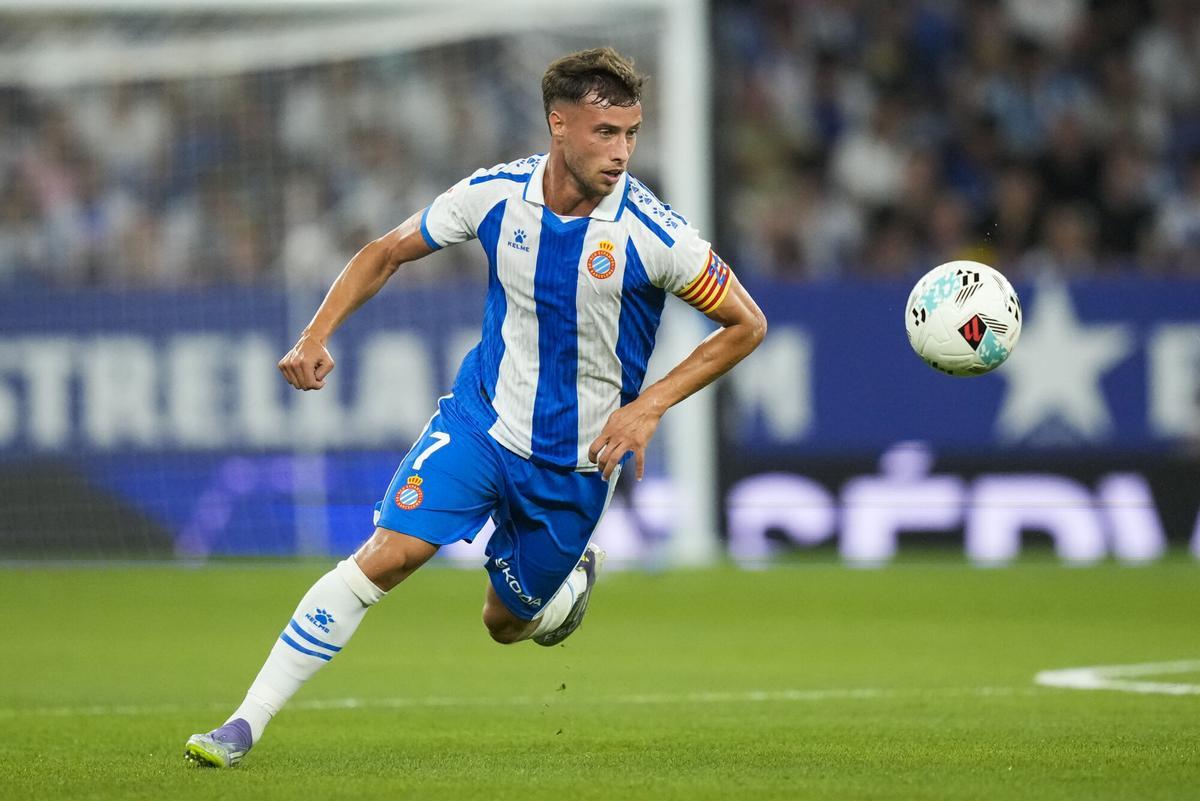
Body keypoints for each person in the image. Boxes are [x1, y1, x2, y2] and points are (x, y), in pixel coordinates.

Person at [184, 47, 767, 768]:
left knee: (504, 621)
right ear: (559, 125)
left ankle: (566, 589)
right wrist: (315, 333)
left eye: (631, 134)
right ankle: (243, 723)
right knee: (385, 557)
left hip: (576, 462)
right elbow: (385, 250)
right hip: (481, 423)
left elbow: (747, 323)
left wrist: (648, 407)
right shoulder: (497, 194)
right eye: (604, 133)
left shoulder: (656, 234)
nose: (621, 153)